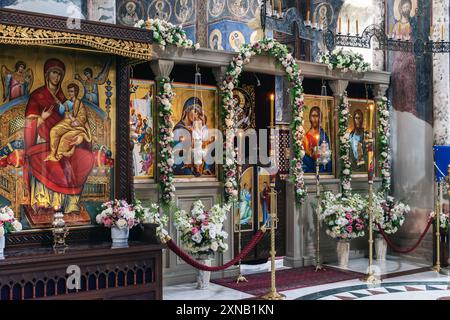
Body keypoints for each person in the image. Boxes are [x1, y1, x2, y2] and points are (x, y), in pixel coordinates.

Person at [24, 58, 94, 214]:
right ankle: (46, 201)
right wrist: (42, 118)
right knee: (54, 164)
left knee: (83, 158)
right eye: (53, 73)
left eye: (59, 74)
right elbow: (28, 124)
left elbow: (79, 122)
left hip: (67, 140)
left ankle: (71, 203)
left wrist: (80, 138)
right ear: (47, 74)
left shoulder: (66, 98)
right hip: (42, 141)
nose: (56, 77)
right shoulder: (37, 96)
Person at [45, 83, 92, 162]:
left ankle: (58, 155)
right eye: (69, 91)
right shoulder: (67, 102)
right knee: (53, 131)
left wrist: (75, 121)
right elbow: (62, 112)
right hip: (65, 122)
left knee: (65, 137)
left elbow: (83, 117)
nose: (70, 93)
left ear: (75, 92)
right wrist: (60, 105)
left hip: (76, 125)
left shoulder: (79, 104)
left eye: (71, 91)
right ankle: (52, 154)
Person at [302, 106, 332, 173]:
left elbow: (327, 155)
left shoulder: (323, 135)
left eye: (317, 116)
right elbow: (304, 154)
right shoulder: (306, 136)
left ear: (320, 118)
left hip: (321, 167)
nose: (315, 119)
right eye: (313, 116)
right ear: (310, 117)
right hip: (310, 166)